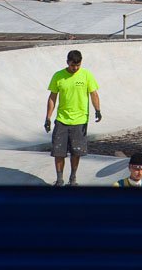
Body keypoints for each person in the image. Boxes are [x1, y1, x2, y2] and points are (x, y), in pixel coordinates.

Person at [44, 49, 101, 186]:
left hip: (80, 120)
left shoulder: (86, 75)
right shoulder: (58, 76)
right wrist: (48, 117)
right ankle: (59, 180)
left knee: (76, 152)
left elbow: (93, 94)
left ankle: (73, 178)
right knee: (59, 152)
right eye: (72, 65)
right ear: (67, 62)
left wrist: (97, 110)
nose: (75, 68)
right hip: (62, 120)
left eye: (78, 65)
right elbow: (52, 97)